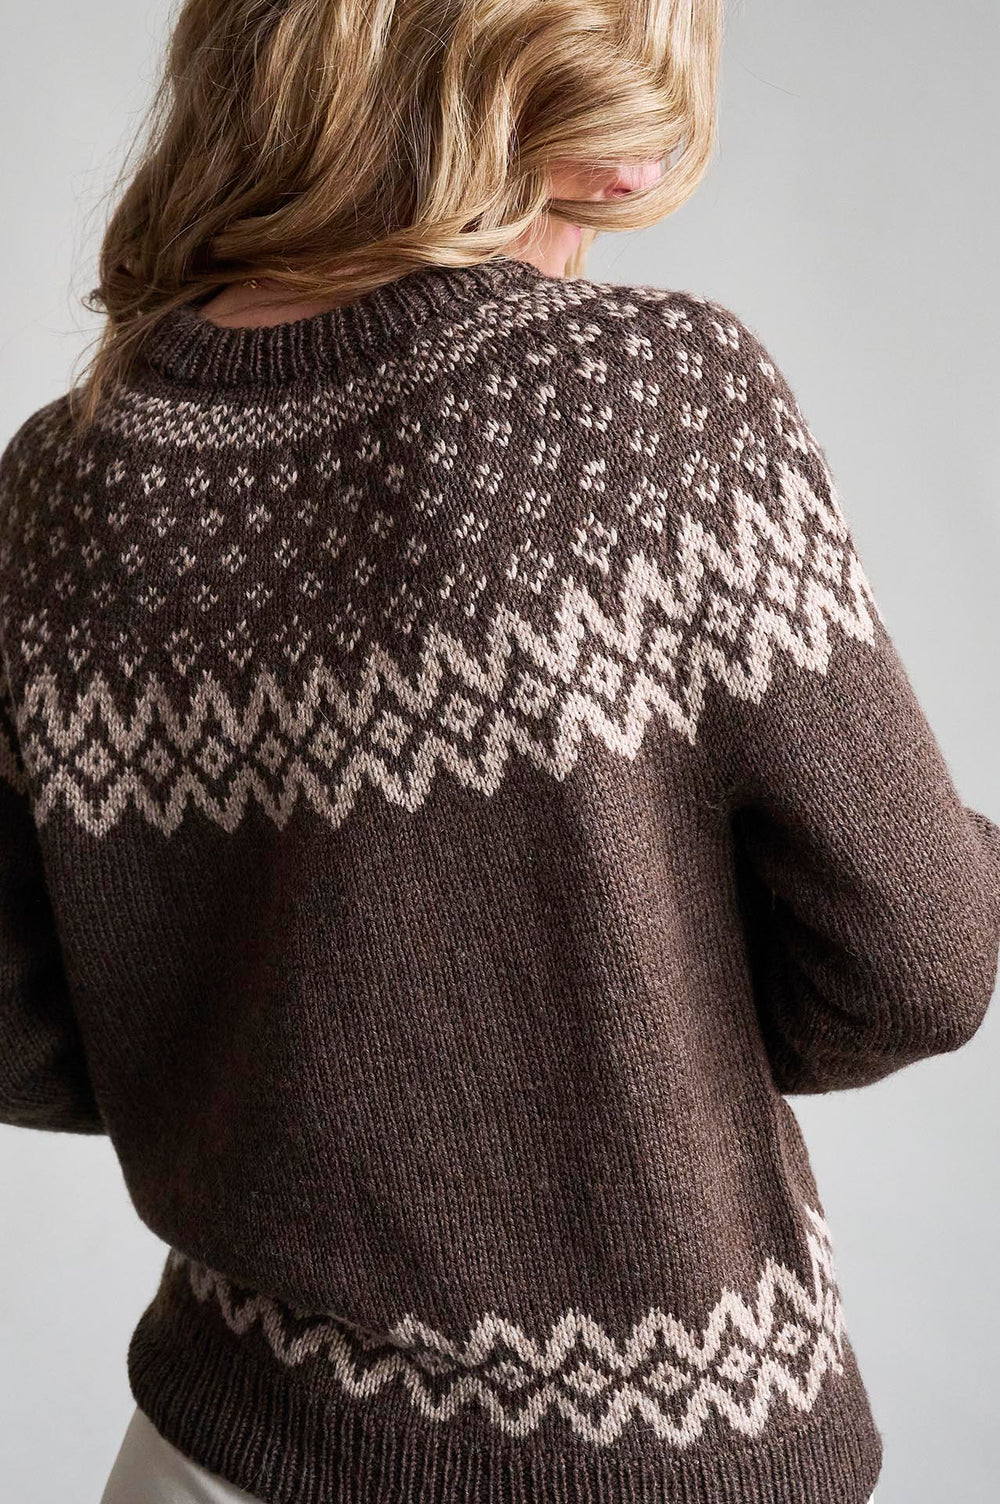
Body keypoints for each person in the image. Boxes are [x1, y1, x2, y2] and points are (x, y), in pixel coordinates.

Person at [1, 1, 994, 1500]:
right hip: (648, 1453)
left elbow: (18, 1026)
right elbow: (918, 959)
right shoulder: (650, 404)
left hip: (218, 1442)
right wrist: (620, 1018)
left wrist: (305, 1067)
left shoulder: (60, 481)